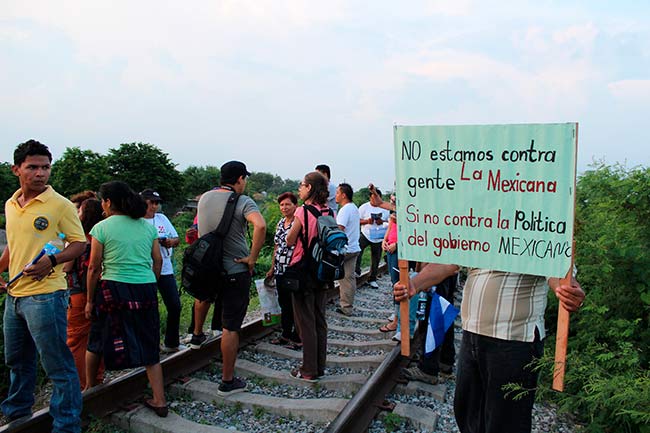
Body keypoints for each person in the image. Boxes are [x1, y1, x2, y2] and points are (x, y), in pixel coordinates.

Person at [394, 265, 585, 433]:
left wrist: (568, 291)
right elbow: (449, 261)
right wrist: (415, 284)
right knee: (467, 412)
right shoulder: (482, 225)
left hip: (515, 342)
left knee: (506, 422)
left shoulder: (539, 225)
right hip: (473, 337)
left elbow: (557, 267)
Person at [0, 140, 86, 432]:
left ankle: (66, 425)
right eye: (33, 167)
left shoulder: (60, 205)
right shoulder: (11, 204)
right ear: (16, 170)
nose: (40, 174)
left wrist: (52, 261)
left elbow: (79, 244)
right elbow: (13, 246)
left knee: (57, 365)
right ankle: (17, 413)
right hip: (15, 297)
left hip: (46, 296)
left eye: (45, 167)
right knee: (17, 361)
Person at [84, 181, 167, 417]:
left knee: (98, 338)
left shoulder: (101, 228)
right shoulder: (147, 226)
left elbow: (93, 267)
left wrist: (90, 300)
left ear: (108, 202)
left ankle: (91, 389)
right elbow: (157, 260)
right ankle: (160, 400)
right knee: (149, 343)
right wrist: (150, 282)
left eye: (103, 200)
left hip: (113, 288)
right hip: (145, 287)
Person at [191, 161, 266, 395]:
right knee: (231, 327)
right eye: (245, 179)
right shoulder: (243, 201)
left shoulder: (204, 198)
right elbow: (260, 226)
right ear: (240, 179)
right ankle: (227, 381)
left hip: (208, 268)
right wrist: (252, 258)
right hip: (234, 271)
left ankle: (196, 335)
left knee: (204, 297)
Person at [285, 171, 331, 381]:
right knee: (320, 319)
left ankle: (308, 369)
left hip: (304, 272)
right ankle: (319, 366)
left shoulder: (302, 212)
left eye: (302, 185)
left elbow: (289, 240)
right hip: (323, 270)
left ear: (310, 188)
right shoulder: (328, 210)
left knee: (306, 321)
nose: (299, 189)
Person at [65, 197, 105, 389]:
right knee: (97, 336)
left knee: (76, 339)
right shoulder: (103, 236)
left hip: (79, 294)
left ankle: (80, 384)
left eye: (79, 210)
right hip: (102, 294)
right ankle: (97, 379)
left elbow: (66, 267)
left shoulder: (78, 238)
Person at [140, 188, 183, 353]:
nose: (155, 206)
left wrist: (170, 242)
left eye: (157, 203)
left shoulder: (162, 218)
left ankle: (172, 342)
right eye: (152, 202)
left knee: (174, 305)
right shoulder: (136, 221)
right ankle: (151, 343)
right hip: (145, 269)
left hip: (165, 268)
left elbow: (177, 238)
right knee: (149, 308)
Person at [266, 192, 301, 348]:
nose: (284, 207)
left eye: (288, 204)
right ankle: (286, 334)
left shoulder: (299, 222)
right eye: (282, 205)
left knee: (296, 303)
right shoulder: (281, 223)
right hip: (280, 268)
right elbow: (276, 246)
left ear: (295, 206)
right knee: (284, 302)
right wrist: (272, 267)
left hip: (293, 268)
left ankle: (297, 335)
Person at [334, 183, 360, 316]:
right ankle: (347, 307)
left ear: (343, 195)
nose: (335, 195)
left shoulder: (344, 210)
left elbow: (340, 229)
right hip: (354, 247)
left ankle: (344, 305)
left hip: (345, 249)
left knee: (341, 278)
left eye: (337, 193)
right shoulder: (354, 208)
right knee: (349, 278)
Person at [355, 188, 389, 288]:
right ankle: (357, 271)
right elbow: (356, 220)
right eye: (373, 197)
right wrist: (366, 221)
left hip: (378, 236)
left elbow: (390, 222)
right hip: (365, 233)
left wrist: (382, 221)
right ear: (370, 197)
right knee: (358, 251)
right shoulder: (363, 207)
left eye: (377, 197)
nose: (375, 200)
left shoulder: (385, 208)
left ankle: (372, 278)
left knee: (376, 258)